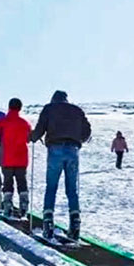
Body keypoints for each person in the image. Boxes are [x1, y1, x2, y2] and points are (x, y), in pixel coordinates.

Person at [29, 90, 92, 240]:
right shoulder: (77, 110)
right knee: (72, 189)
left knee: (51, 186)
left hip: (55, 149)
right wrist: (78, 140)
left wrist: (32, 137)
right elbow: (87, 130)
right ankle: (75, 223)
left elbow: (40, 128)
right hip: (73, 150)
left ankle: (48, 222)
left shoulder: (49, 108)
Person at [0, 97, 32, 219]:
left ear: (9, 107)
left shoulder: (2, 122)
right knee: (22, 182)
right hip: (21, 158)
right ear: (20, 108)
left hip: (7, 158)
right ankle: (24, 206)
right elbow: (28, 138)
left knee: (8, 183)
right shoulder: (25, 123)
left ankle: (7, 207)